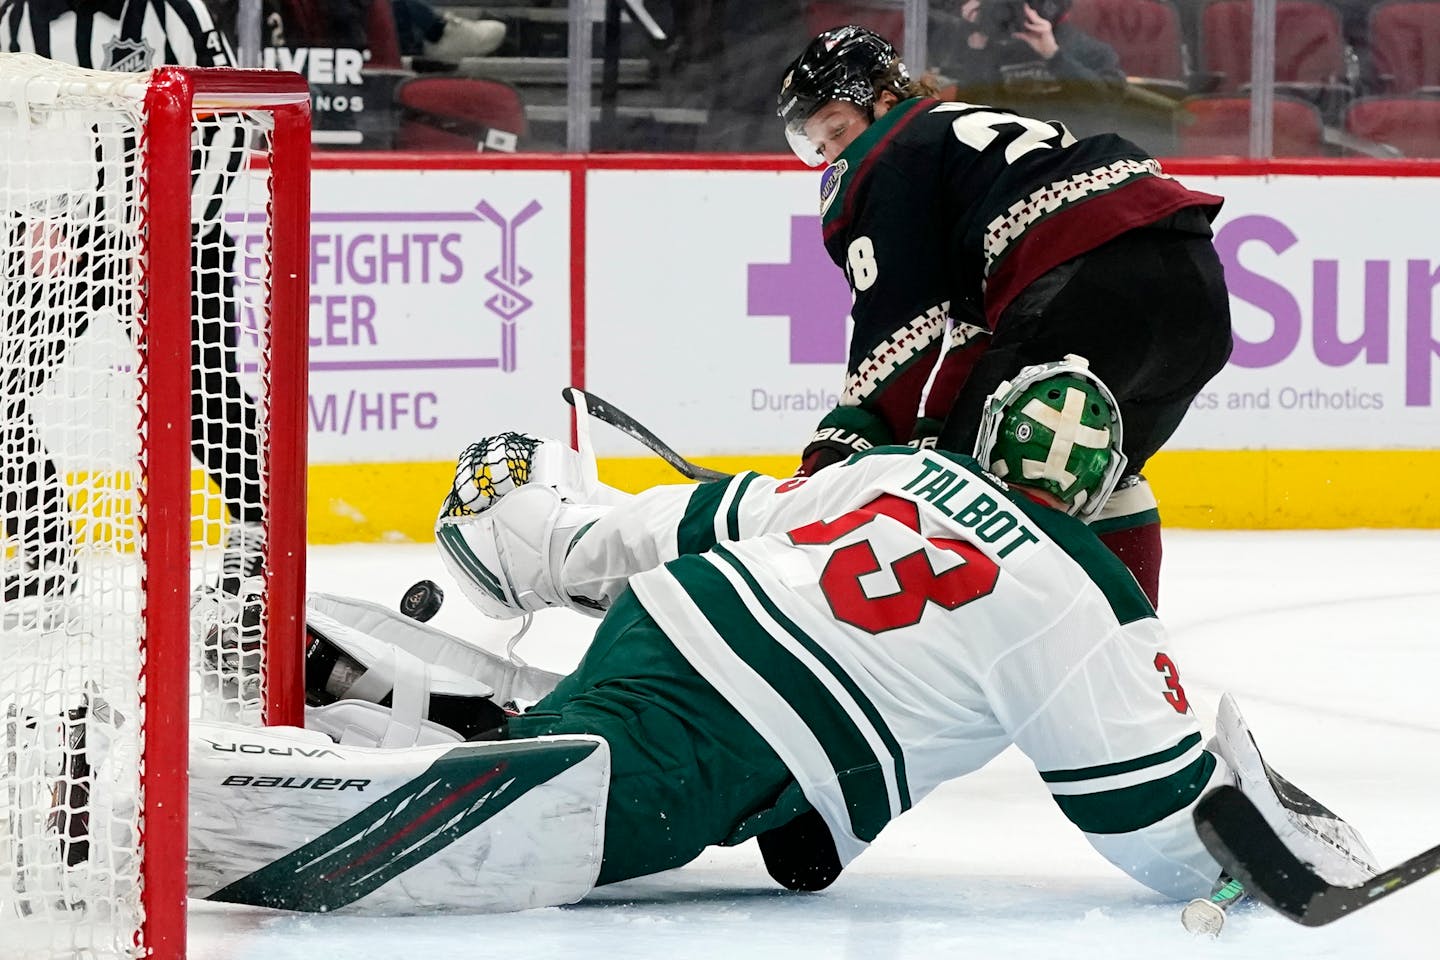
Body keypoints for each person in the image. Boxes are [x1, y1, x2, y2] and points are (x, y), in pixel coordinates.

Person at [60, 365, 1371, 915]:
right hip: (736, 733)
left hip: (672, 638)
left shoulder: (895, 471)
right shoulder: (1081, 594)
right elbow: (1147, 812)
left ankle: (386, 687)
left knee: (574, 737)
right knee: (537, 820)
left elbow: (695, 523)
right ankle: (147, 794)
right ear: (1100, 491)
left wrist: (550, 533)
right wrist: (1245, 863)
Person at [775, 25, 1234, 607]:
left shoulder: (889, 156)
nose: (832, 157)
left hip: (1082, 283)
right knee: (1103, 473)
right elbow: (973, 337)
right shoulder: (966, 144)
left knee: (960, 491)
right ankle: (1137, 658)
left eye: (837, 131)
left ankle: (957, 673)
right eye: (816, 147)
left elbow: (895, 342)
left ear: (884, 101)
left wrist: (830, 460)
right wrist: (927, 433)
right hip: (1195, 292)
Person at [0, 0, 267, 601]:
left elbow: (229, 116)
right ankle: (43, 554)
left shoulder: (174, 10)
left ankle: (255, 533)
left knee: (205, 398)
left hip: (179, 234)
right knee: (3, 391)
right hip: (63, 238)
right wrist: (31, 218)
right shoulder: (16, 18)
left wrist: (176, 222)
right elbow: (13, 130)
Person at [932, 0, 1126, 101]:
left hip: (1071, 157)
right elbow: (974, 108)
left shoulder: (1091, 51)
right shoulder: (990, 50)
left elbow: (1108, 102)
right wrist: (979, 36)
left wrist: (1054, 56)